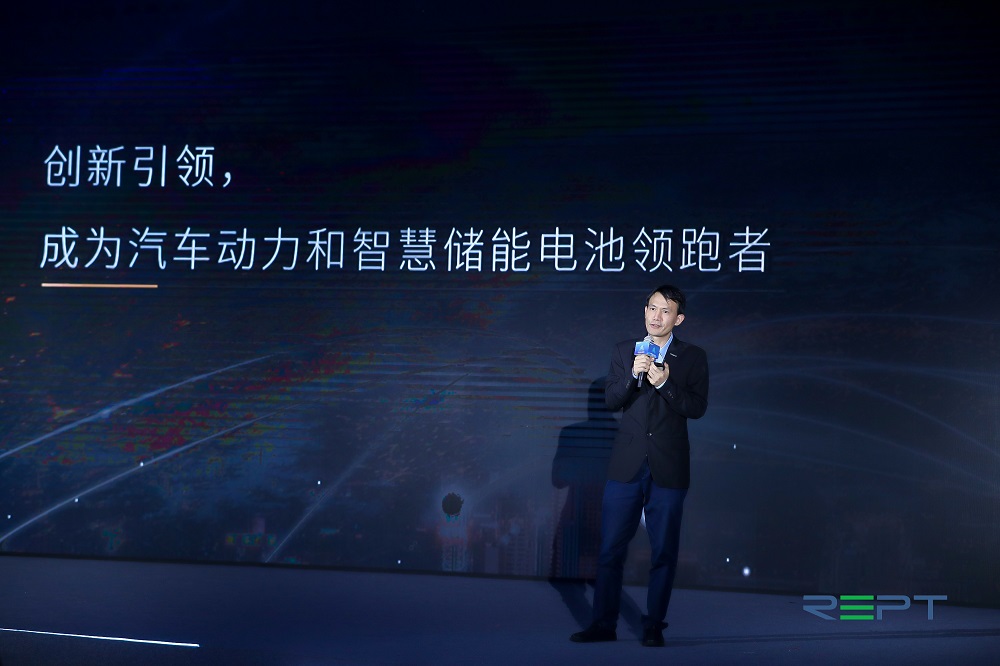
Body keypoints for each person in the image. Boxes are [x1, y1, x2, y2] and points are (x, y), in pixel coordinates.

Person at [570, 284, 709, 648]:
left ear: (678, 319)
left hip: (669, 466)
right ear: (645, 311)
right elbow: (612, 401)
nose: (656, 316)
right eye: (651, 308)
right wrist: (633, 375)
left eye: (665, 311)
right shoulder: (624, 351)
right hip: (626, 466)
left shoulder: (693, 357)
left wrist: (665, 383)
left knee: (663, 552)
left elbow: (697, 408)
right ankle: (603, 623)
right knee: (610, 550)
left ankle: (653, 625)